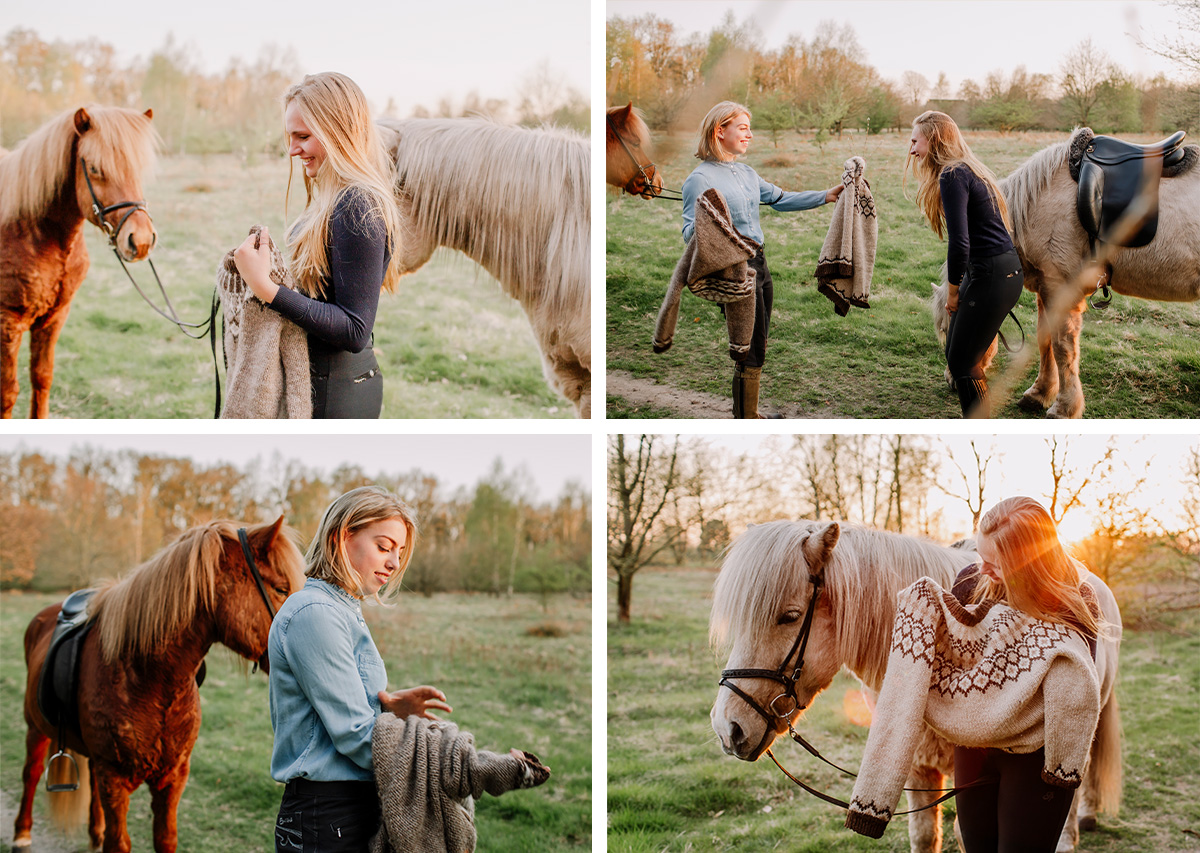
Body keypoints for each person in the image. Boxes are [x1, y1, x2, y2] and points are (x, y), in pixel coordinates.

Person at [269, 486, 450, 852]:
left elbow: (342, 713)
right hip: (327, 815)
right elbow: (355, 735)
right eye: (384, 547)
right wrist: (451, 765)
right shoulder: (316, 614)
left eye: (400, 552)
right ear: (341, 537)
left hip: (349, 807)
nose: (394, 563)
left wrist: (386, 709)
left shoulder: (342, 610)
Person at [234, 72, 404, 419]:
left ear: (338, 133)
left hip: (336, 394)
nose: (292, 150)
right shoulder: (332, 195)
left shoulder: (357, 204)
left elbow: (355, 329)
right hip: (317, 384)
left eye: (303, 137)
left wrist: (265, 287)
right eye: (290, 137)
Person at [950, 496, 1103, 852]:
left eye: (995, 563)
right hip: (973, 751)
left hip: (1037, 757)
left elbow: (1076, 693)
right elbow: (955, 659)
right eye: (980, 555)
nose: (982, 569)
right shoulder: (969, 582)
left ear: (1029, 563)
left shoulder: (1075, 604)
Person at [681, 101, 843, 419]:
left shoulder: (746, 172)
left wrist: (826, 195)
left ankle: (747, 413)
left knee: (760, 339)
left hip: (761, 264)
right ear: (720, 131)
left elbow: (780, 198)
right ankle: (746, 417)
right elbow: (689, 233)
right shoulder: (698, 180)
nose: (750, 135)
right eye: (743, 128)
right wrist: (712, 227)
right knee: (749, 345)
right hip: (734, 270)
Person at [906, 110, 1024, 418]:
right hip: (996, 271)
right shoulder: (966, 169)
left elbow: (960, 243)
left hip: (993, 275)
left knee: (963, 363)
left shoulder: (952, 174)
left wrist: (953, 292)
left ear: (934, 139)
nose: (912, 150)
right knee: (956, 355)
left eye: (915, 141)